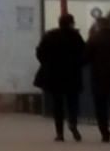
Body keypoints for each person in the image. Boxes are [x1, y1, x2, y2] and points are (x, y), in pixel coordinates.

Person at [35, 13, 86, 142]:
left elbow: (40, 52)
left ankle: (60, 133)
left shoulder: (50, 35)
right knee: (72, 102)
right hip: (72, 74)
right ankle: (72, 122)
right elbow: (84, 54)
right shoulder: (76, 37)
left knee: (57, 105)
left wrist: (47, 64)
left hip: (54, 75)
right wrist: (78, 64)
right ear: (71, 23)